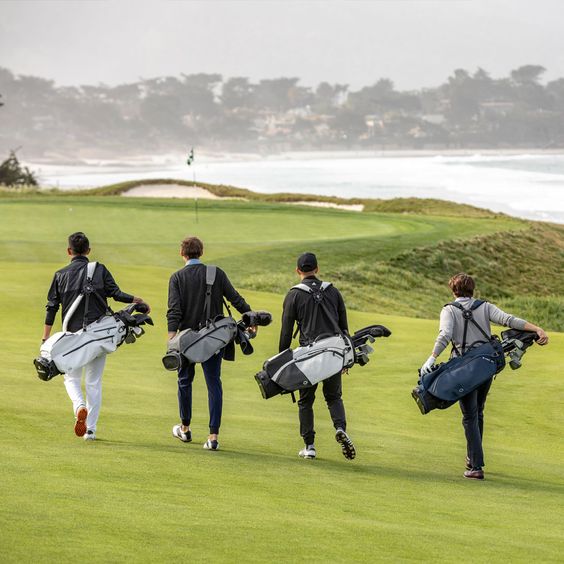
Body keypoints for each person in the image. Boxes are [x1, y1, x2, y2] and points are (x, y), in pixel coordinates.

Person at [420, 272, 549, 480]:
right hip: (487, 365)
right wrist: (537, 328)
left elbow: (444, 335)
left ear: (453, 290)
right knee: (478, 412)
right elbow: (509, 320)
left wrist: (432, 358)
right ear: (473, 290)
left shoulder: (449, 310)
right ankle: (473, 458)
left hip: (464, 369)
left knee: (469, 415)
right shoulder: (484, 306)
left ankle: (475, 466)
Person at [42, 232, 149, 441]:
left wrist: (46, 338)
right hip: (99, 336)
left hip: (72, 338)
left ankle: (79, 406)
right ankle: (90, 430)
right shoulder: (98, 269)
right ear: (88, 251)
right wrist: (136, 299)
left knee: (70, 377)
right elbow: (116, 294)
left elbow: (51, 307)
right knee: (94, 382)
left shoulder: (60, 274)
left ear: (68, 251)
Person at [167, 236, 254, 451]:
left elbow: (174, 310)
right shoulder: (216, 273)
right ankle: (213, 436)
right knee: (214, 384)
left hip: (187, 340)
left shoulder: (177, 277)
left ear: (182, 253)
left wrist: (171, 337)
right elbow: (235, 299)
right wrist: (250, 317)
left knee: (185, 381)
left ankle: (185, 429)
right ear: (201, 252)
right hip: (213, 340)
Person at [279, 252, 355, 461]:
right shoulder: (333, 292)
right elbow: (344, 328)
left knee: (306, 401)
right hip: (333, 353)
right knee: (333, 397)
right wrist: (346, 359)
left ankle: (309, 445)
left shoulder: (294, 295)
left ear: (298, 271)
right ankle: (340, 428)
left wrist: (282, 361)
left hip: (309, 357)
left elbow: (286, 332)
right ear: (317, 269)